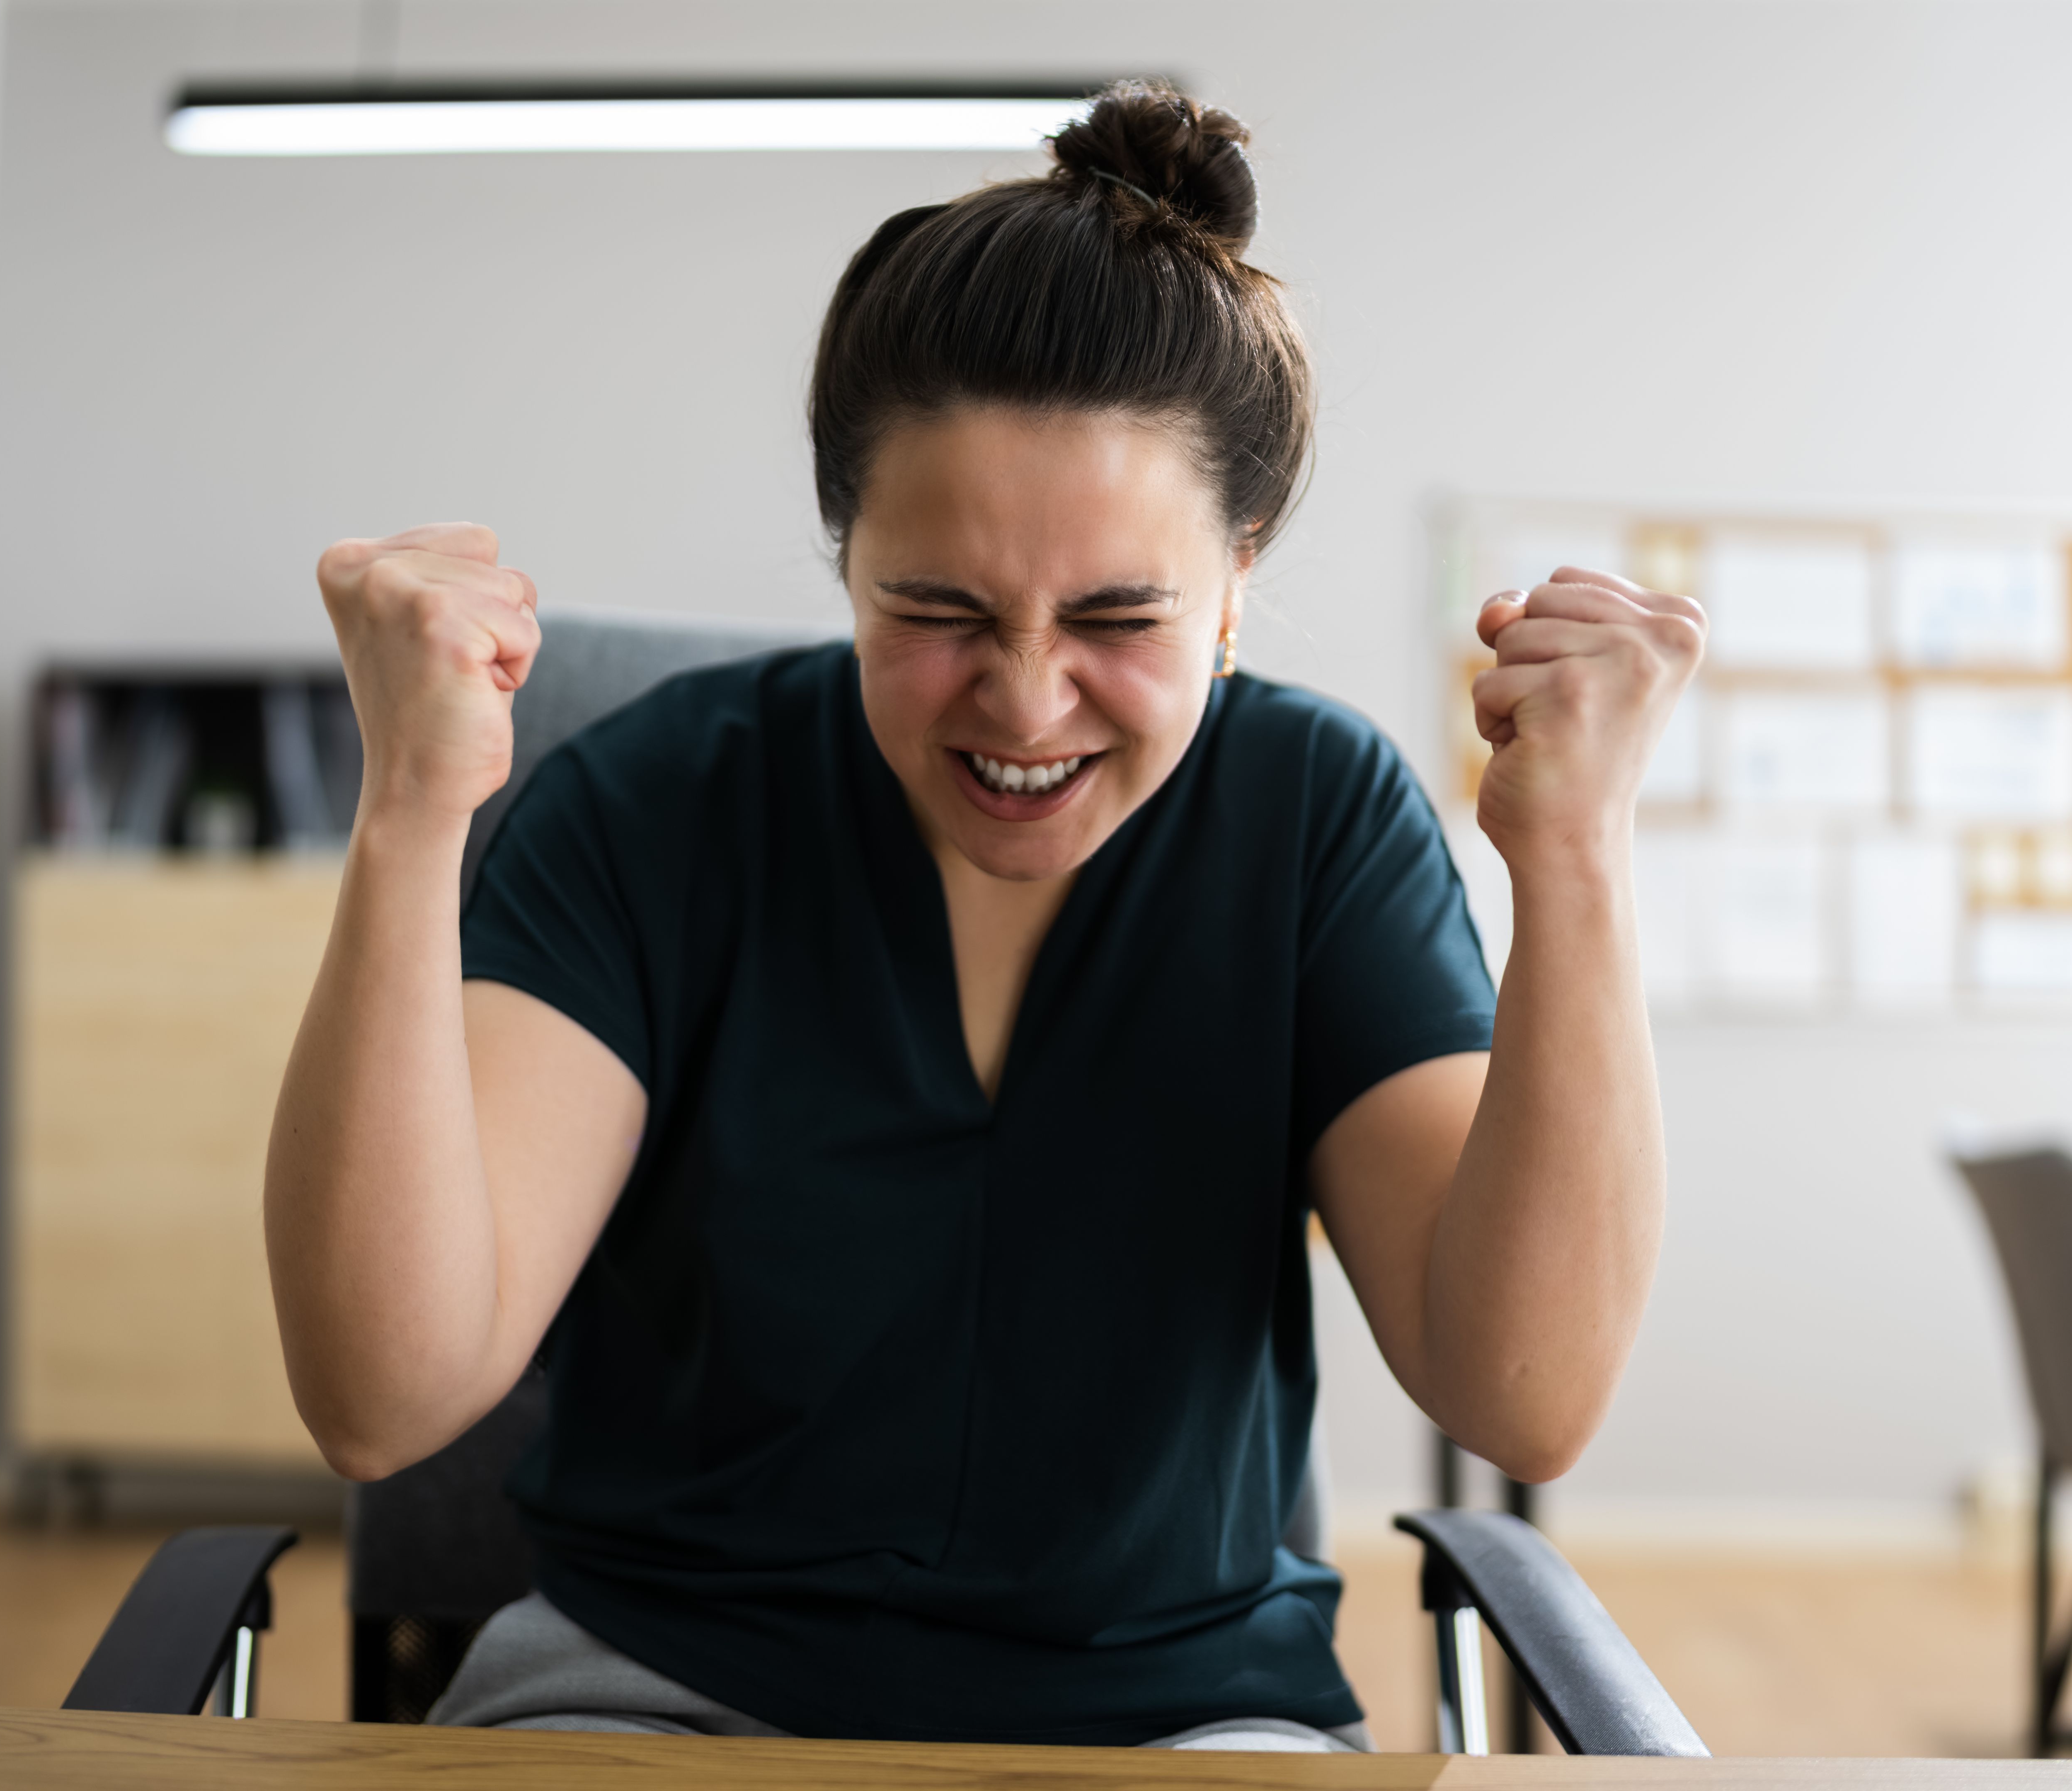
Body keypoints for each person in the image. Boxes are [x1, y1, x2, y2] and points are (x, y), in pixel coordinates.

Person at [266, 80, 1701, 1752]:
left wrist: (1577, 859)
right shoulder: (650, 807)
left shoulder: (1317, 820)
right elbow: (382, 1399)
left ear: (1239, 581)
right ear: (844, 559)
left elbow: (1520, 1389)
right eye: (937, 609)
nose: (1026, 705)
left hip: (1177, 1715)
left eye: (1118, 616)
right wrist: (408, 812)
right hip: (652, 1694)